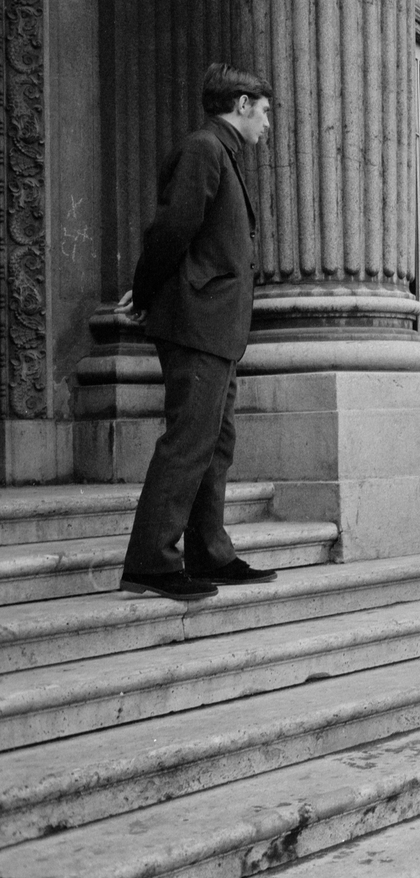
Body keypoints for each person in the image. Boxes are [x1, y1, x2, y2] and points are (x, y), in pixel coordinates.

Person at [117, 63, 280, 601]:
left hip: (216, 325)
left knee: (215, 442)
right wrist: (144, 294)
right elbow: (172, 228)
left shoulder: (221, 153)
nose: (267, 123)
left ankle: (210, 551)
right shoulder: (204, 150)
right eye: (264, 110)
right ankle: (152, 563)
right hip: (197, 321)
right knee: (189, 442)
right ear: (241, 103)